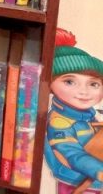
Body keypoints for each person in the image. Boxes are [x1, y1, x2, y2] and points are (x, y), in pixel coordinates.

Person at [44, 30, 103, 193]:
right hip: (77, 182)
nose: (84, 92)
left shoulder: (86, 115)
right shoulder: (59, 122)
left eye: (94, 84)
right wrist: (99, 170)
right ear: (50, 84)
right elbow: (72, 154)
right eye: (70, 82)